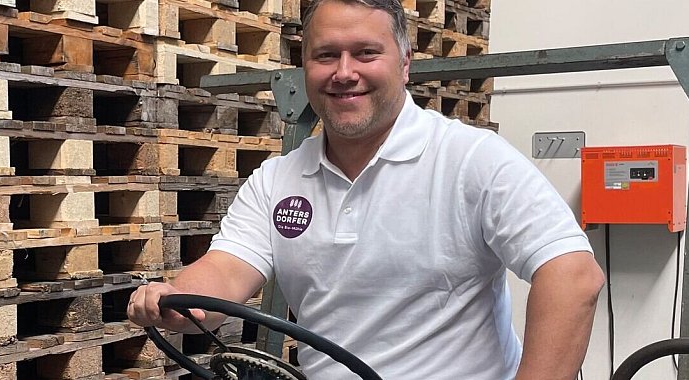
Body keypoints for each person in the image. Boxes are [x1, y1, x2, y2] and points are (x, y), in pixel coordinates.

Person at [128, 0, 605, 378]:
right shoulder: (278, 180)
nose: (344, 72)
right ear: (304, 67)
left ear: (404, 64)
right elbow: (227, 274)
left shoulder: (472, 160)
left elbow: (572, 276)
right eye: (326, 55)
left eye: (366, 53)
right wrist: (177, 294)